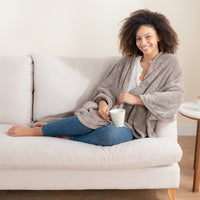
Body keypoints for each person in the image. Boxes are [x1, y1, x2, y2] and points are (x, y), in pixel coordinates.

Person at [7, 9, 184, 146]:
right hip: (108, 116)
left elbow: (176, 97)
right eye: (138, 38)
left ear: (159, 36)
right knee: (88, 118)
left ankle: (66, 136)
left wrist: (138, 100)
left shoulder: (170, 63)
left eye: (148, 37)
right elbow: (106, 88)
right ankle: (39, 132)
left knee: (111, 135)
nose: (143, 43)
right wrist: (103, 104)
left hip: (132, 126)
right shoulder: (127, 63)